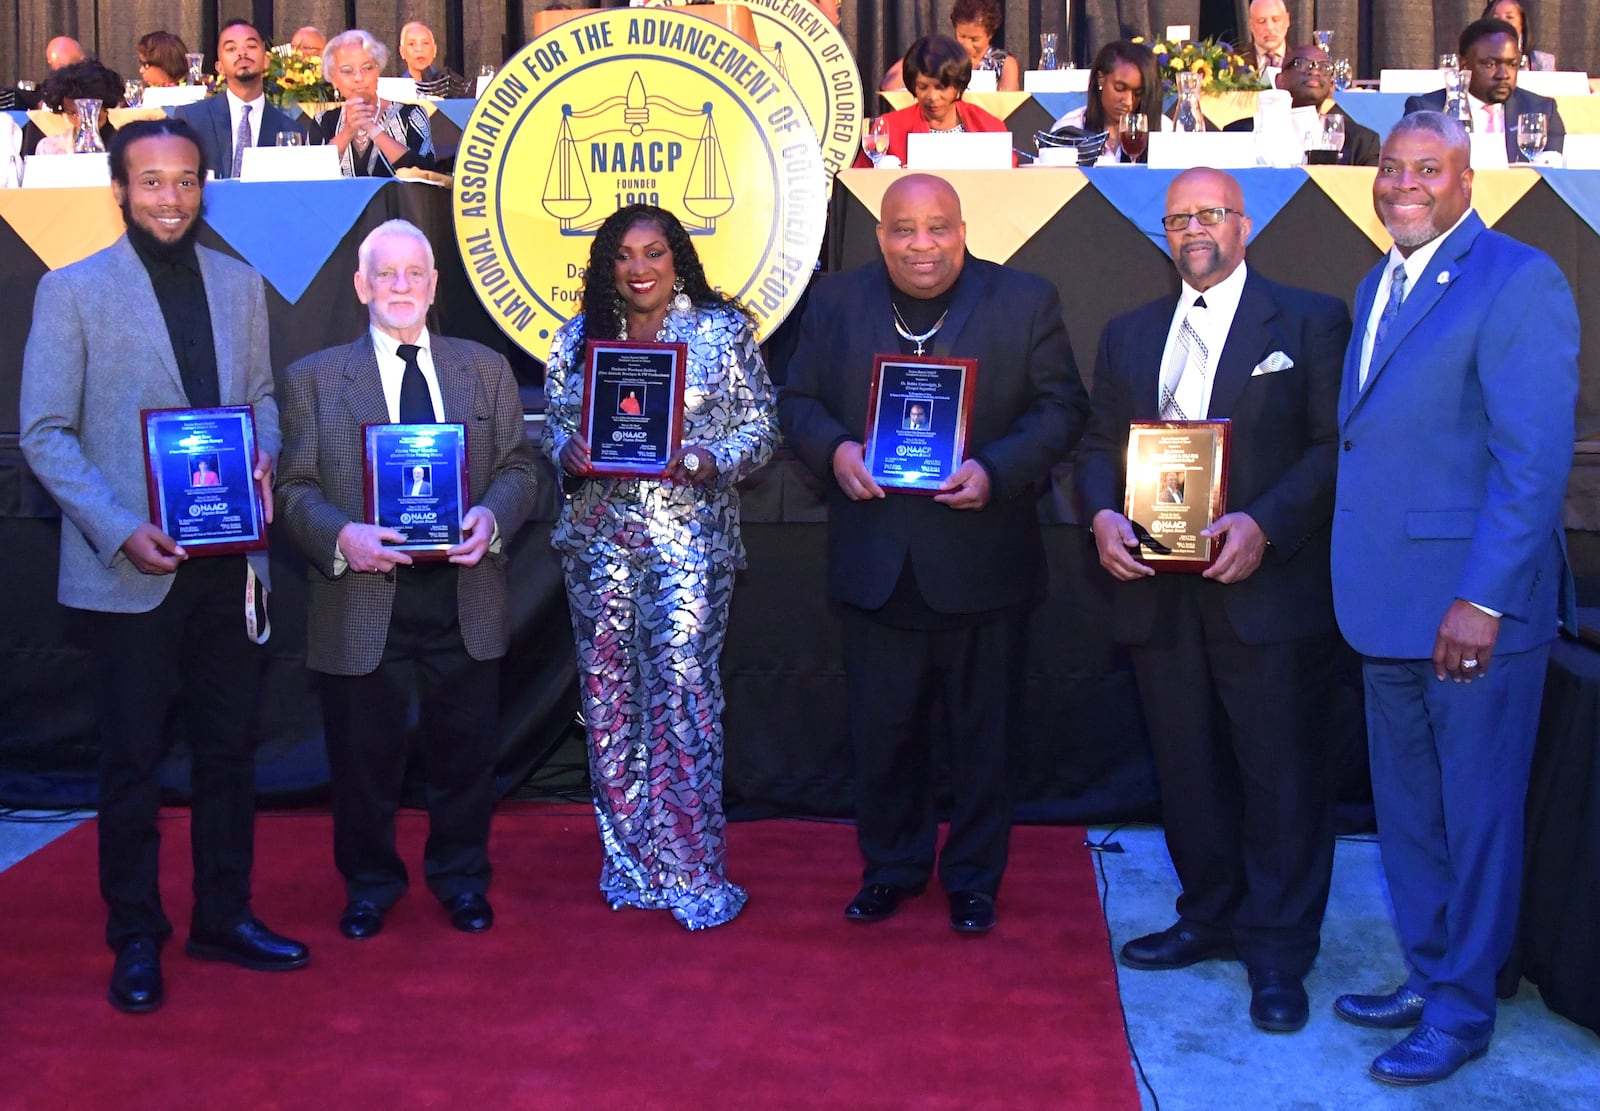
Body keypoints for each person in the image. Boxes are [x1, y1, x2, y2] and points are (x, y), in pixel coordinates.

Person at [19, 118, 308, 1015]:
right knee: (132, 764)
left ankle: (224, 913)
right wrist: (117, 528)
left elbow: (259, 397)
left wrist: (262, 452)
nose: (170, 198)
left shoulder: (241, 283)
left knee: (229, 754)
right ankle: (135, 934)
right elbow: (45, 434)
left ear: (204, 186)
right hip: (127, 570)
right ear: (119, 190)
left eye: (185, 181)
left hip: (230, 565)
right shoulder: (71, 292)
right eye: (151, 183)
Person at [1330, 111, 1578, 1085]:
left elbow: (1531, 462)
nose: (1402, 184)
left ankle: (1463, 1007)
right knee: (1410, 813)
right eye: (1391, 168)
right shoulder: (1375, 280)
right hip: (1382, 603)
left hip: (1467, 613)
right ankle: (1431, 971)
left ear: (1466, 179)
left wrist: (1481, 598)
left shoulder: (1518, 280)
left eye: (1425, 169)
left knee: (1474, 817)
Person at [1075, 166, 1352, 1033]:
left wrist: (1266, 524)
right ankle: (1209, 913)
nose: (1193, 228)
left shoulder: (1307, 320)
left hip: (1261, 587)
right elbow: (1094, 444)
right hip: (1158, 593)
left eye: (1210, 213)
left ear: (1244, 225)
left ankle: (1276, 950)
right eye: (1177, 217)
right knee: (1187, 766)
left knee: (1280, 775)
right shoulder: (1128, 334)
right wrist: (1099, 516)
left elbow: (1333, 445)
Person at [777, 174, 1088, 935]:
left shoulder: (1025, 299)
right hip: (876, 557)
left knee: (985, 736)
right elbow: (797, 402)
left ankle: (975, 878)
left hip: (983, 558)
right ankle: (891, 866)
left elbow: (1062, 408)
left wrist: (998, 470)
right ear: (881, 235)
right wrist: (835, 450)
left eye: (938, 228)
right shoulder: (836, 301)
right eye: (904, 230)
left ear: (962, 229)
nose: (922, 245)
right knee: (883, 733)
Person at [275, 219, 539, 942]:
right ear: (361, 286)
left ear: (433, 285)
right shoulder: (315, 379)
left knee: (465, 757)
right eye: (384, 273)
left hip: (464, 592)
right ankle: (369, 884)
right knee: (363, 763)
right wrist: (342, 536)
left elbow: (521, 467)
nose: (400, 285)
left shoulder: (484, 370)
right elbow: (293, 487)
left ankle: (461, 878)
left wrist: (492, 516)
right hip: (362, 594)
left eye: (414, 273)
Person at [543, 204, 778, 931]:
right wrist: (567, 452)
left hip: (688, 545)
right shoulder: (580, 337)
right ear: (606, 265)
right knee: (610, 706)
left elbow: (762, 426)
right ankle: (632, 863)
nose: (639, 268)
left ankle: (692, 869)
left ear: (677, 259)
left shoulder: (719, 331)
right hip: (598, 545)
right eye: (624, 255)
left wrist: (712, 459)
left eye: (654, 253)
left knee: (682, 700)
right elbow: (555, 421)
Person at [1404, 18, 1564, 163]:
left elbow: (1551, 177)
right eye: (1490, 64)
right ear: (1463, 65)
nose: (1504, 75)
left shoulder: (1541, 110)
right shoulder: (1426, 110)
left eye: (1512, 64)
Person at [175, 21, 316, 180]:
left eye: (251, 46)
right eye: (231, 48)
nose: (242, 52)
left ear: (266, 61)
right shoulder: (191, 119)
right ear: (219, 67)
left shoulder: (292, 130)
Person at [861, 36, 1010, 168]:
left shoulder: (989, 126)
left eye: (941, 87)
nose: (932, 96)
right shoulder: (890, 128)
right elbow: (861, 183)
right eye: (923, 87)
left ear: (958, 86)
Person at [1224, 45, 1381, 166]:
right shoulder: (1238, 133)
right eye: (1302, 64)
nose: (1315, 71)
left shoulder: (1361, 142)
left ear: (1332, 86)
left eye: (1324, 67)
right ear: (1279, 80)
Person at [319, 30, 436, 177]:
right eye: (347, 71)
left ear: (378, 71)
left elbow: (427, 174)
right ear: (333, 78)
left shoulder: (412, 114)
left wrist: (372, 128)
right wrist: (348, 132)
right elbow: (309, 177)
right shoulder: (323, 120)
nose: (358, 77)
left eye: (367, 68)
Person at [1049, 40, 1170, 164]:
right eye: (1120, 88)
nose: (1128, 101)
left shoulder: (1165, 130)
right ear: (1101, 79)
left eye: (1138, 93)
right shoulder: (1068, 131)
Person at [882, 0, 1020, 93]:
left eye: (975, 39)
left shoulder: (1005, 63)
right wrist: (920, 54)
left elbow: (1006, 105)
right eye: (962, 36)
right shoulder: (941, 54)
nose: (966, 44)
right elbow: (888, 87)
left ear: (990, 34)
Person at [20, 59, 121, 157]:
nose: (81, 119)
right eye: (73, 113)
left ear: (105, 106)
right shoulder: (50, 149)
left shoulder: (128, 146)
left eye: (89, 111)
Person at [399, 21, 469, 98]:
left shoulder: (450, 86)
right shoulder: (395, 90)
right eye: (411, 44)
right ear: (402, 52)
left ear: (435, 50)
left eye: (425, 43)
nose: (419, 49)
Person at [1483, 1, 1555, 72]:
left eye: (1509, 17)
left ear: (1522, 23)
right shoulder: (1477, 60)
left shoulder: (1542, 63)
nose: (1502, 23)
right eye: (1496, 18)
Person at [1246, 0, 1291, 82]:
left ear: (1287, 20)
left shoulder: (1301, 61)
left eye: (1276, 20)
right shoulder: (1233, 62)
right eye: (1261, 21)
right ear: (1251, 25)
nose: (1269, 27)